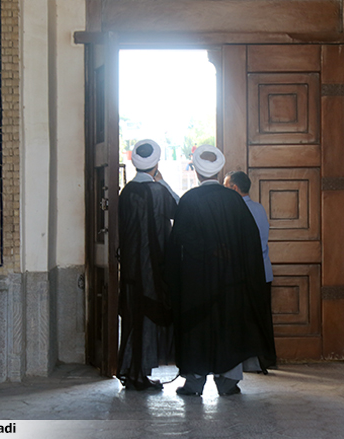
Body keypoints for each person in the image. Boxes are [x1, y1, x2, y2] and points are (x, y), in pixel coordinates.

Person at [165, 145, 277, 396]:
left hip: (197, 282)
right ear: (218, 171)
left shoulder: (190, 199)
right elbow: (249, 240)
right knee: (230, 326)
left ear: (195, 171)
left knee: (196, 328)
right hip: (231, 280)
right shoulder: (234, 200)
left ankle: (194, 381)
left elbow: (179, 240)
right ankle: (229, 381)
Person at [117, 139, 179, 390]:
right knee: (149, 319)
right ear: (155, 164)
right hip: (153, 266)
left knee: (134, 318)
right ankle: (138, 373)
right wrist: (162, 181)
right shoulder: (157, 191)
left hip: (132, 268)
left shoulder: (126, 192)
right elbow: (179, 209)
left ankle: (133, 372)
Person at [224, 170, 274, 374]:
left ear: (234, 188)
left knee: (245, 319)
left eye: (226, 186)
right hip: (263, 273)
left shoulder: (236, 210)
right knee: (260, 317)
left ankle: (250, 361)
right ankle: (261, 361)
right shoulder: (259, 208)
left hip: (247, 274)